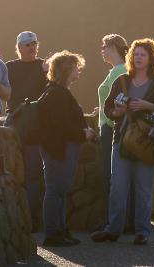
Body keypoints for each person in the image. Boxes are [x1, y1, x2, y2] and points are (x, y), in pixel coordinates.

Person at [91, 38, 154, 245]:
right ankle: (113, 229)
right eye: (135, 54)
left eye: (143, 54)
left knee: (143, 188)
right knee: (117, 185)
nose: (138, 58)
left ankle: (142, 231)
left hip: (147, 141)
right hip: (122, 139)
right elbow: (108, 108)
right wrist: (118, 110)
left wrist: (147, 105)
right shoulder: (122, 81)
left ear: (152, 58)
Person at [38, 50, 95, 246]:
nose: (78, 71)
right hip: (58, 149)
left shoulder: (54, 91)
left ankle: (60, 231)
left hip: (58, 148)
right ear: (66, 71)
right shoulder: (57, 94)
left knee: (59, 190)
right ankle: (53, 233)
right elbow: (61, 125)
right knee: (55, 190)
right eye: (75, 68)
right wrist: (83, 134)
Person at [0, 31, 49, 231]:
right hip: (15, 122)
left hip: (36, 125)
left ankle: (32, 220)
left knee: (34, 172)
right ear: (18, 47)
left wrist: (47, 72)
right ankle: (15, 219)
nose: (31, 47)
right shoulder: (9, 67)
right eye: (26, 44)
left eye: (34, 43)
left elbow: (52, 90)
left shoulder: (44, 66)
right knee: (12, 171)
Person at [95, 34, 128, 227]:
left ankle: (112, 220)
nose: (102, 50)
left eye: (104, 46)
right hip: (108, 124)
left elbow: (118, 100)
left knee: (110, 175)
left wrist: (107, 119)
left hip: (110, 128)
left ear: (113, 47)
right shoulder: (116, 70)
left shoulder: (119, 71)